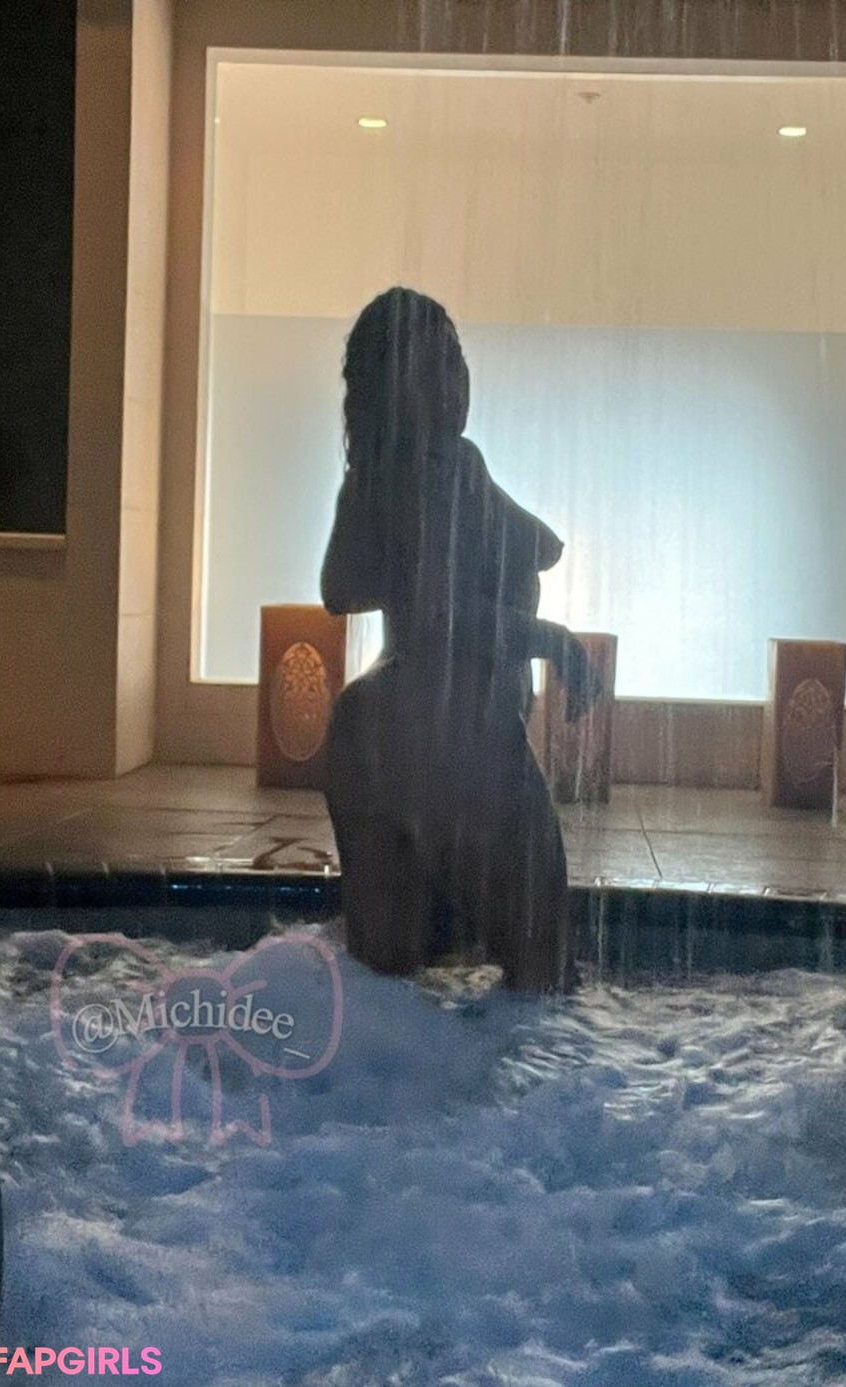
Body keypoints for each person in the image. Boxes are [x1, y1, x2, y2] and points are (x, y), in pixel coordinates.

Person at [321, 287, 599, 991]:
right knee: (544, 982)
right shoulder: (450, 471)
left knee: (386, 991)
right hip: (461, 741)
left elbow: (339, 585)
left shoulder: (376, 477)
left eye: (458, 358)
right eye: (436, 365)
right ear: (398, 388)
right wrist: (551, 638)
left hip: (370, 732)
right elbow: (438, 617)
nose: (457, 380)